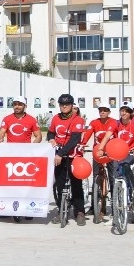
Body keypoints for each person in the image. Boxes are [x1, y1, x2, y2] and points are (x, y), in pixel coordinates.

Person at [48, 93, 88, 225]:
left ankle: (79, 212)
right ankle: (61, 211)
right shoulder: (56, 118)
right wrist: (51, 138)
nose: (64, 106)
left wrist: (61, 154)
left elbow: (74, 140)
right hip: (59, 155)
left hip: (73, 156)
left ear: (72, 106)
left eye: (67, 104)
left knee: (76, 185)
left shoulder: (77, 120)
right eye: (62, 104)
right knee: (59, 185)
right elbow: (51, 132)